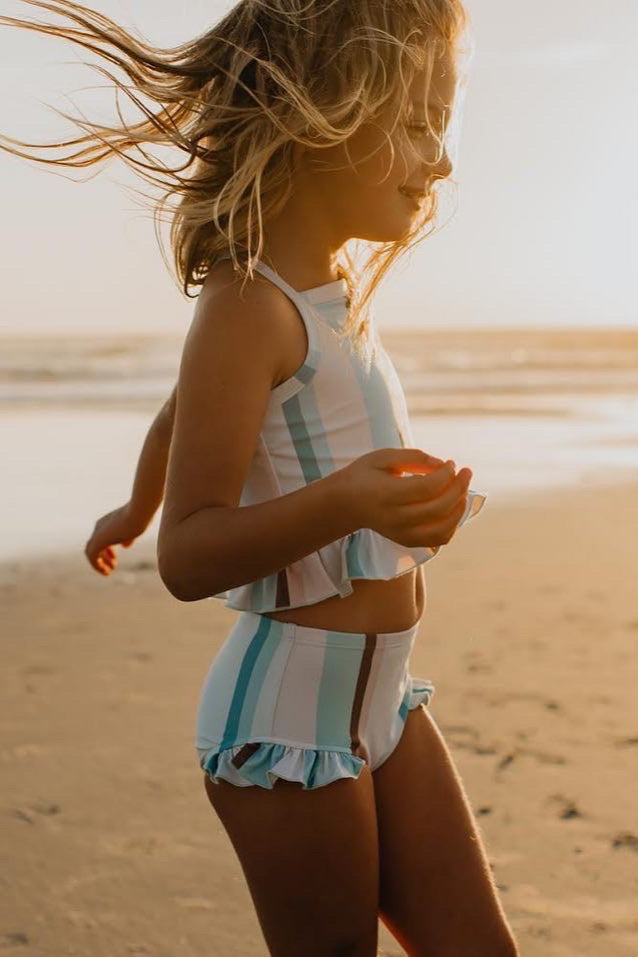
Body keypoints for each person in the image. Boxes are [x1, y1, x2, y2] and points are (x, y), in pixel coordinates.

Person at [3, 2, 520, 953]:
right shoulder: (249, 303)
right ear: (321, 117)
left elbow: (182, 414)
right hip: (287, 729)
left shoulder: (329, 297)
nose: (439, 159)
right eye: (415, 122)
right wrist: (349, 500)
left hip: (385, 700)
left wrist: (134, 498)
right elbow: (190, 559)